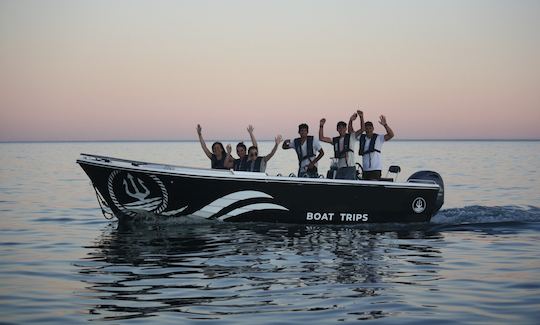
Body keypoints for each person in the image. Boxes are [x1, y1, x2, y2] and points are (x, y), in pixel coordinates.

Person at [349, 112, 394, 180]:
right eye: (366, 128)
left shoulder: (379, 138)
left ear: (373, 128)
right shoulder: (362, 138)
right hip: (365, 170)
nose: (368, 130)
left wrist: (385, 125)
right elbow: (351, 133)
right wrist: (351, 121)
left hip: (376, 169)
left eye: (370, 128)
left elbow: (391, 135)